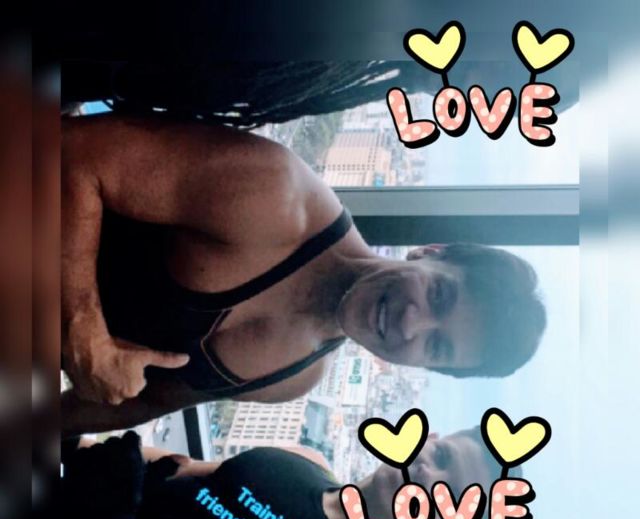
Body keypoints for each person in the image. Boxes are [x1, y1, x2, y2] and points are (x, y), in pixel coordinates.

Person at [62, 114, 546, 434]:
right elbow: (70, 153)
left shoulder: (293, 378)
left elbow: (144, 402)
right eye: (439, 295)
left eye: (436, 346)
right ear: (428, 252)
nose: (411, 323)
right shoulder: (277, 197)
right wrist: (83, 325)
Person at [61, 425, 512, 519]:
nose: (430, 476)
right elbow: (178, 466)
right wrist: (73, 443)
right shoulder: (303, 460)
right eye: (443, 457)